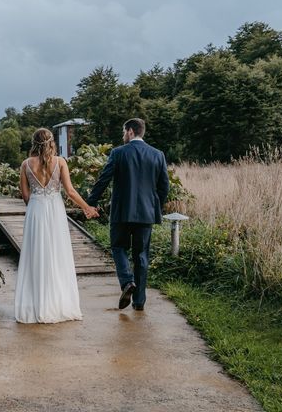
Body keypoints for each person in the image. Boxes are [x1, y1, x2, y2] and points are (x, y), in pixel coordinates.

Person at [14, 128, 99, 323]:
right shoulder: (61, 162)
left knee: (36, 256)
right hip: (55, 212)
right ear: (52, 142)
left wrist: (37, 204)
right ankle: (58, 304)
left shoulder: (25, 164)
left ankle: (36, 305)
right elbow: (70, 191)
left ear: (34, 143)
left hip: (35, 210)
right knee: (57, 255)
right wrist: (87, 208)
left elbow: (25, 196)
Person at [86, 118, 169, 311]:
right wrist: (154, 206)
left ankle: (126, 282)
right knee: (141, 256)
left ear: (130, 131)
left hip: (122, 212)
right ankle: (139, 302)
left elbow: (103, 180)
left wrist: (90, 203)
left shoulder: (118, 153)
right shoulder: (158, 155)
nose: (123, 135)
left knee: (118, 247)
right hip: (146, 215)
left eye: (124, 131)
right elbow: (164, 187)